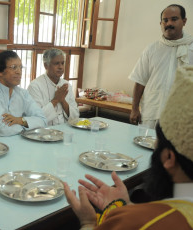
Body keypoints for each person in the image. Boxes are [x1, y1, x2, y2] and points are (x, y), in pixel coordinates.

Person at [64, 65, 193, 229]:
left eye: (157, 142)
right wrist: (126, 206)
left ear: (168, 158)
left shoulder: (151, 221)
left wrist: (88, 222)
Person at [129, 4, 193, 128]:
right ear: (161, 23)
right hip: (152, 113)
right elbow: (140, 81)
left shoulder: (191, 48)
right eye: (165, 20)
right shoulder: (151, 49)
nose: (169, 23)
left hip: (182, 117)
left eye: (174, 19)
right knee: (145, 145)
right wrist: (134, 109)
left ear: (184, 21)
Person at [0, 50, 47, 139]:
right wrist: (28, 125)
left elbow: (43, 120)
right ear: (0, 71)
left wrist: (20, 120)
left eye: (20, 67)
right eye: (14, 67)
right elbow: (4, 130)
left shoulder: (23, 93)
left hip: (14, 141)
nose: (19, 72)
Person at [27, 48, 79, 126]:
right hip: (44, 133)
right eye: (56, 63)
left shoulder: (66, 85)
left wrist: (63, 101)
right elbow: (36, 118)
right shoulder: (35, 86)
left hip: (65, 130)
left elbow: (76, 116)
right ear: (46, 66)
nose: (60, 67)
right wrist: (55, 100)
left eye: (62, 63)